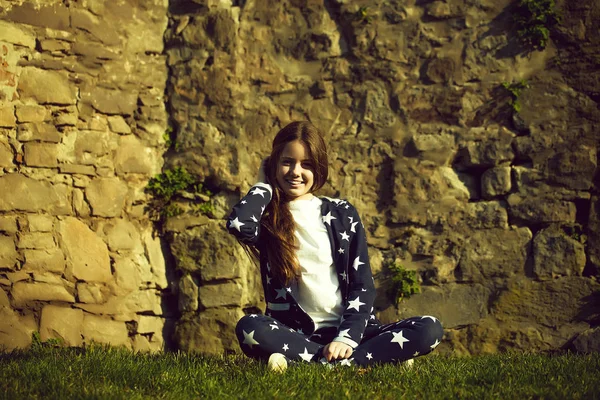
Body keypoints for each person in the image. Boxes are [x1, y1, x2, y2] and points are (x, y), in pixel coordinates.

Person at [226, 121, 443, 371]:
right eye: (287, 162)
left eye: (306, 164)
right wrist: (263, 184)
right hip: (298, 336)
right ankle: (360, 362)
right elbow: (239, 224)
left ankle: (331, 362)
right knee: (249, 327)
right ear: (273, 164)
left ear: (318, 168)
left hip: (355, 333)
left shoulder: (342, 213)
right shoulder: (267, 218)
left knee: (430, 328)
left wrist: (346, 337)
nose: (296, 171)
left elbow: (363, 285)